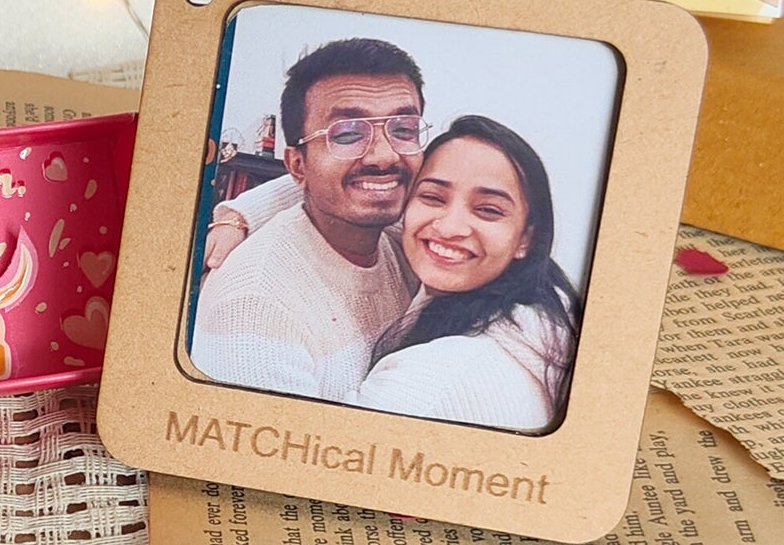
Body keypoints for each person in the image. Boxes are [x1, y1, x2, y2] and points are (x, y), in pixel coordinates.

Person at [189, 37, 429, 401]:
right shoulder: (254, 309)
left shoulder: (410, 237)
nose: (384, 156)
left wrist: (242, 213)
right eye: (347, 134)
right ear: (297, 165)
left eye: (403, 130)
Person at [353, 115, 581, 432]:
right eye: (433, 197)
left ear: (525, 239)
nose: (449, 228)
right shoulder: (543, 319)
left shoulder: (427, 382)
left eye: (488, 210)